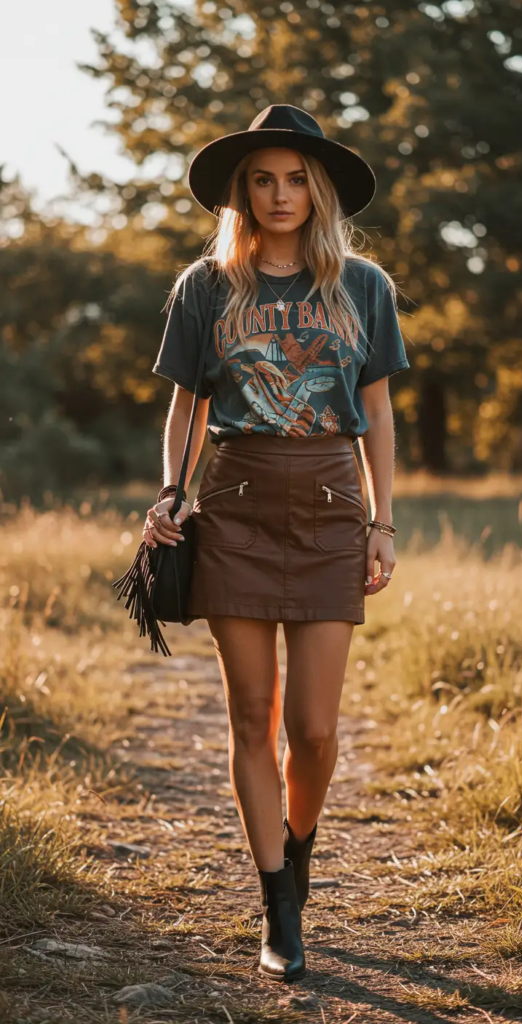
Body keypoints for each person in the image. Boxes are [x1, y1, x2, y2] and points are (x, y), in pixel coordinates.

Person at [143, 104, 409, 982]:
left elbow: (376, 413)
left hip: (331, 504)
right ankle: (276, 904)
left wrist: (381, 522)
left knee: (316, 729)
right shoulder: (206, 286)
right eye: (262, 179)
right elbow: (186, 406)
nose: (280, 194)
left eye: (296, 179)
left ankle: (297, 850)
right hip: (235, 504)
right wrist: (171, 493)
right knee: (251, 714)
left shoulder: (362, 285)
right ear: (241, 192)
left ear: (319, 190)